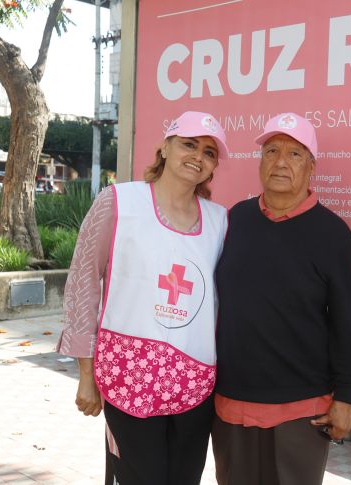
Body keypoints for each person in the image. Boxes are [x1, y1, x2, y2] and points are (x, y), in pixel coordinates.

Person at [55, 111, 230, 485]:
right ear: (165, 147)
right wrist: (86, 374)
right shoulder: (118, 202)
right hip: (126, 376)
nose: (198, 155)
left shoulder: (220, 222)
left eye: (209, 151)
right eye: (188, 144)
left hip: (195, 383)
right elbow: (83, 282)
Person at [212, 113, 351, 485]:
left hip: (302, 407)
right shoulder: (234, 220)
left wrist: (346, 397)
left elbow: (345, 320)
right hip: (232, 399)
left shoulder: (333, 234)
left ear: (311, 167)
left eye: (295, 154)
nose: (280, 162)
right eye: (271, 151)